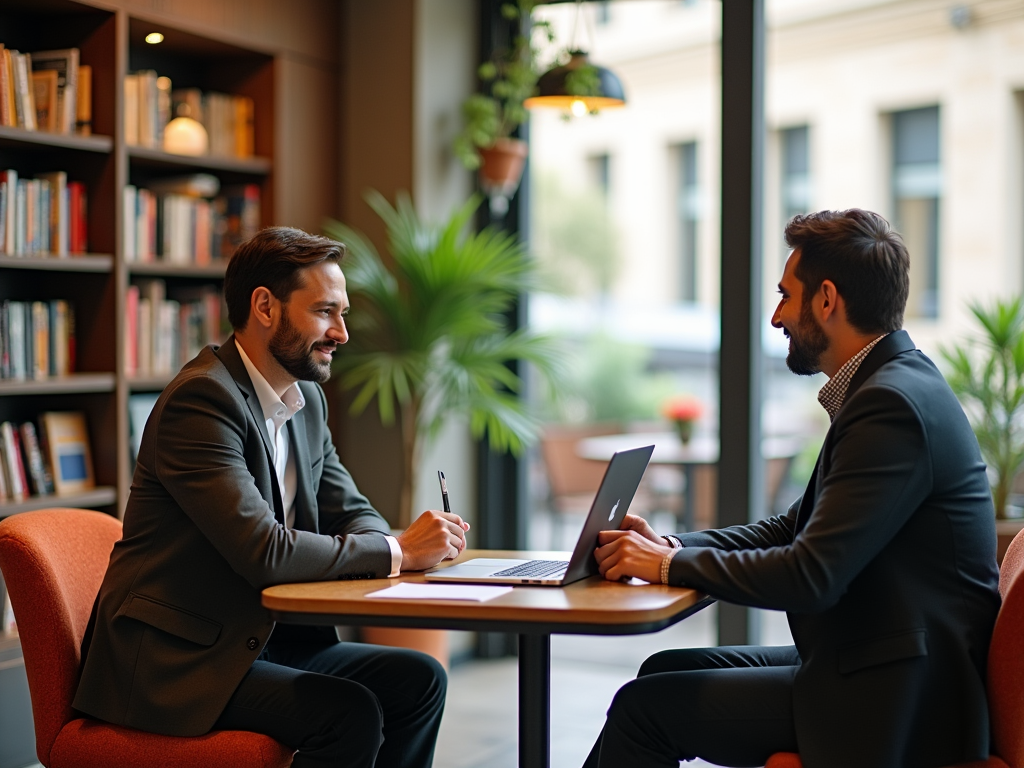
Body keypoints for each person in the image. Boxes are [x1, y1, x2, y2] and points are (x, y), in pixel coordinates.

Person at [584, 209, 1001, 768]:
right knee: (661, 673)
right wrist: (674, 548)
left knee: (644, 708)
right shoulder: (892, 384)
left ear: (826, 300)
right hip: (880, 660)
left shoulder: (890, 406)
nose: (777, 315)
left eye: (785, 295)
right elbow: (793, 527)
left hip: (902, 699)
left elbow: (812, 575)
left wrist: (664, 567)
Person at [73, 227, 470, 768]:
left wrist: (389, 542)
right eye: (326, 311)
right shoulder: (203, 402)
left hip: (262, 642)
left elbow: (351, 509)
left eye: (344, 313)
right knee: (348, 711)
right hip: (176, 662)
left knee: (418, 679)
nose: (342, 333)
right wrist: (400, 552)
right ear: (265, 306)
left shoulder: (303, 399)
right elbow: (264, 552)